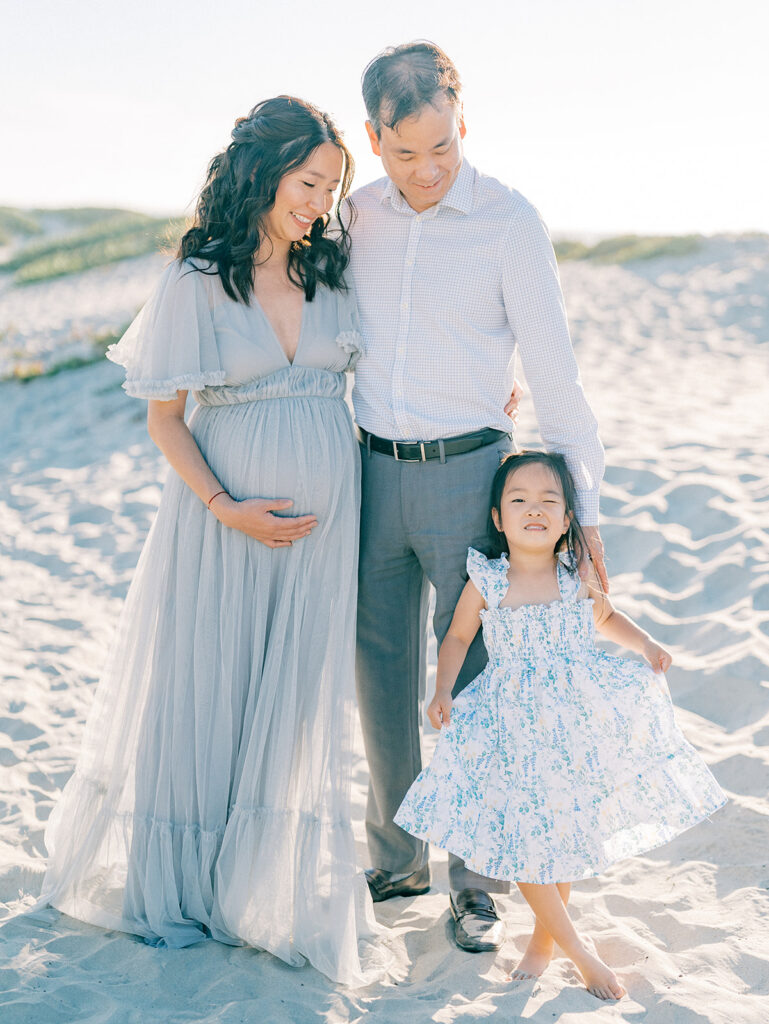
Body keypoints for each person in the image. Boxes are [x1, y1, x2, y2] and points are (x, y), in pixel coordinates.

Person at [38, 96, 382, 988]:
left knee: (292, 699)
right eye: (308, 183)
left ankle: (258, 887)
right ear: (263, 173)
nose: (318, 201)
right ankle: (189, 885)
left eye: (332, 187)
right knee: (210, 685)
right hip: (221, 523)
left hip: (323, 531)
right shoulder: (199, 276)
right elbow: (165, 420)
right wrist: (226, 505)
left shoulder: (335, 275)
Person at [347, 41, 606, 951]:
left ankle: (476, 876)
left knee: (469, 680)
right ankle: (396, 854)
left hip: (470, 473)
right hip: (369, 470)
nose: (423, 171)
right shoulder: (354, 216)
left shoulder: (507, 220)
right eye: (403, 150)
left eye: (441, 148)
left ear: (465, 126)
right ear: (372, 137)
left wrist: (589, 512)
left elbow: (553, 373)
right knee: (376, 671)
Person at [395, 450, 727, 999]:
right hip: (511, 724)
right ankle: (578, 950)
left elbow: (608, 617)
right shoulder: (489, 580)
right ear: (499, 519)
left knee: (564, 829)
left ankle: (545, 942)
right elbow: (456, 637)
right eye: (519, 500)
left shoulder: (576, 576)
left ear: (568, 518)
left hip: (573, 723)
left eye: (550, 501)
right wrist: (442, 688)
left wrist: (645, 644)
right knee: (528, 834)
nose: (535, 510)